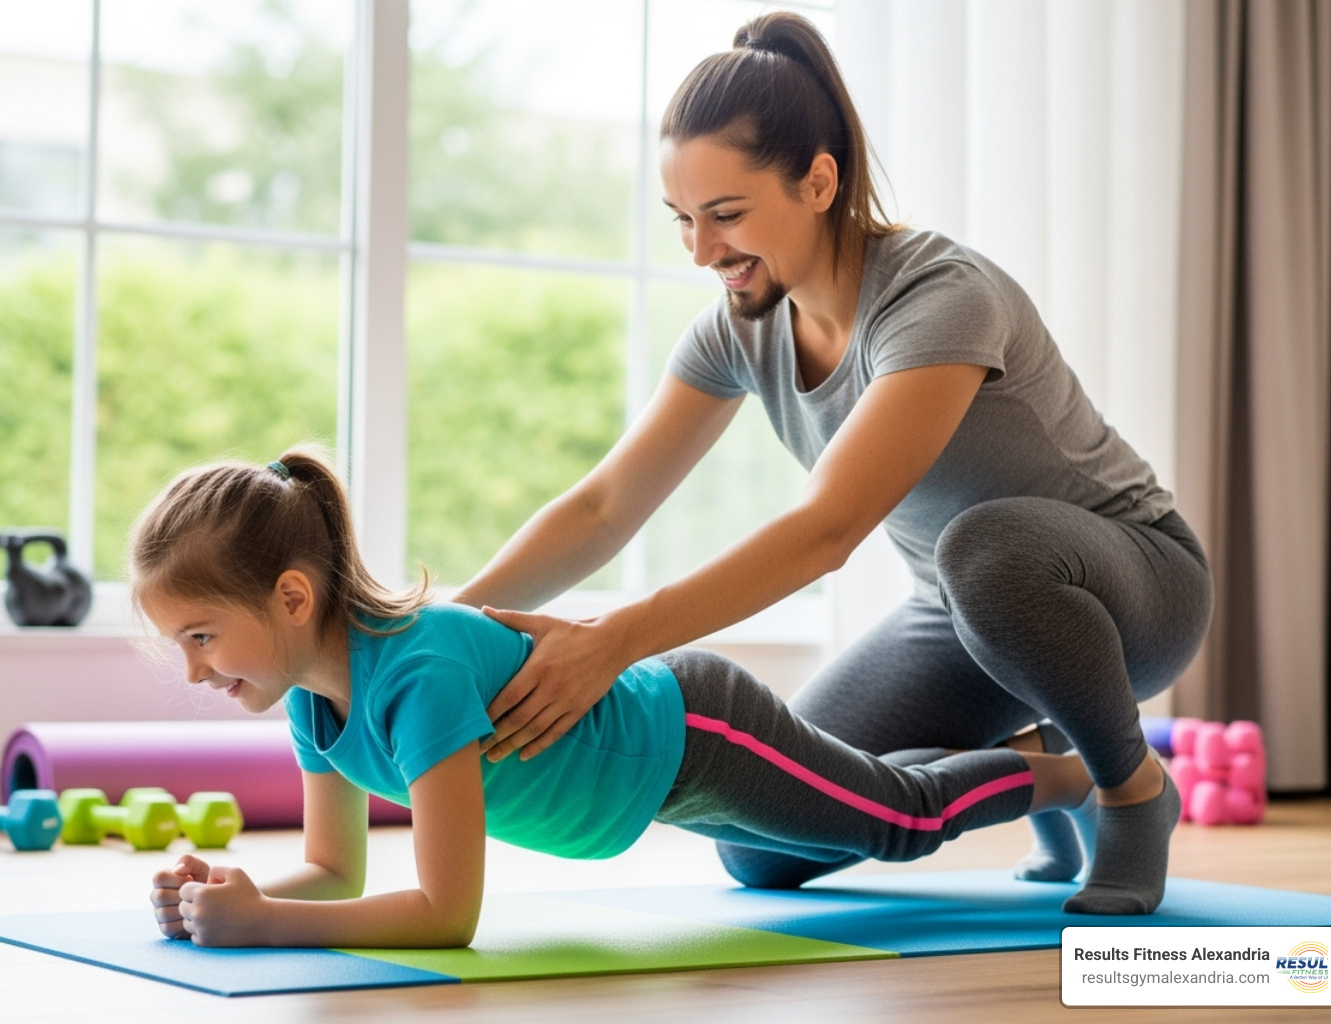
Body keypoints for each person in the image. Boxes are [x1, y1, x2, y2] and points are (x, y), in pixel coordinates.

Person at [452, 11, 1213, 916]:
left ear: (819, 181)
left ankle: (1133, 792)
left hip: (1137, 591)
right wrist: (441, 623)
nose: (701, 251)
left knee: (983, 549)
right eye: (683, 220)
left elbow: (827, 531)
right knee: (765, 834)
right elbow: (606, 508)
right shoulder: (739, 330)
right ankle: (1052, 772)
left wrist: (613, 642)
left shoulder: (940, 296)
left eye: (726, 215)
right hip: (963, 617)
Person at [132, 449, 1100, 948]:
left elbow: (445, 911)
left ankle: (1071, 774)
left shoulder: (415, 675)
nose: (192, 671)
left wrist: (268, 924)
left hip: (700, 733)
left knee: (901, 820)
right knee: (791, 853)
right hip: (655, 784)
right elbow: (334, 870)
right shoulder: (311, 700)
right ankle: (1024, 745)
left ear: (292, 596)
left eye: (201, 636)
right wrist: (236, 893)